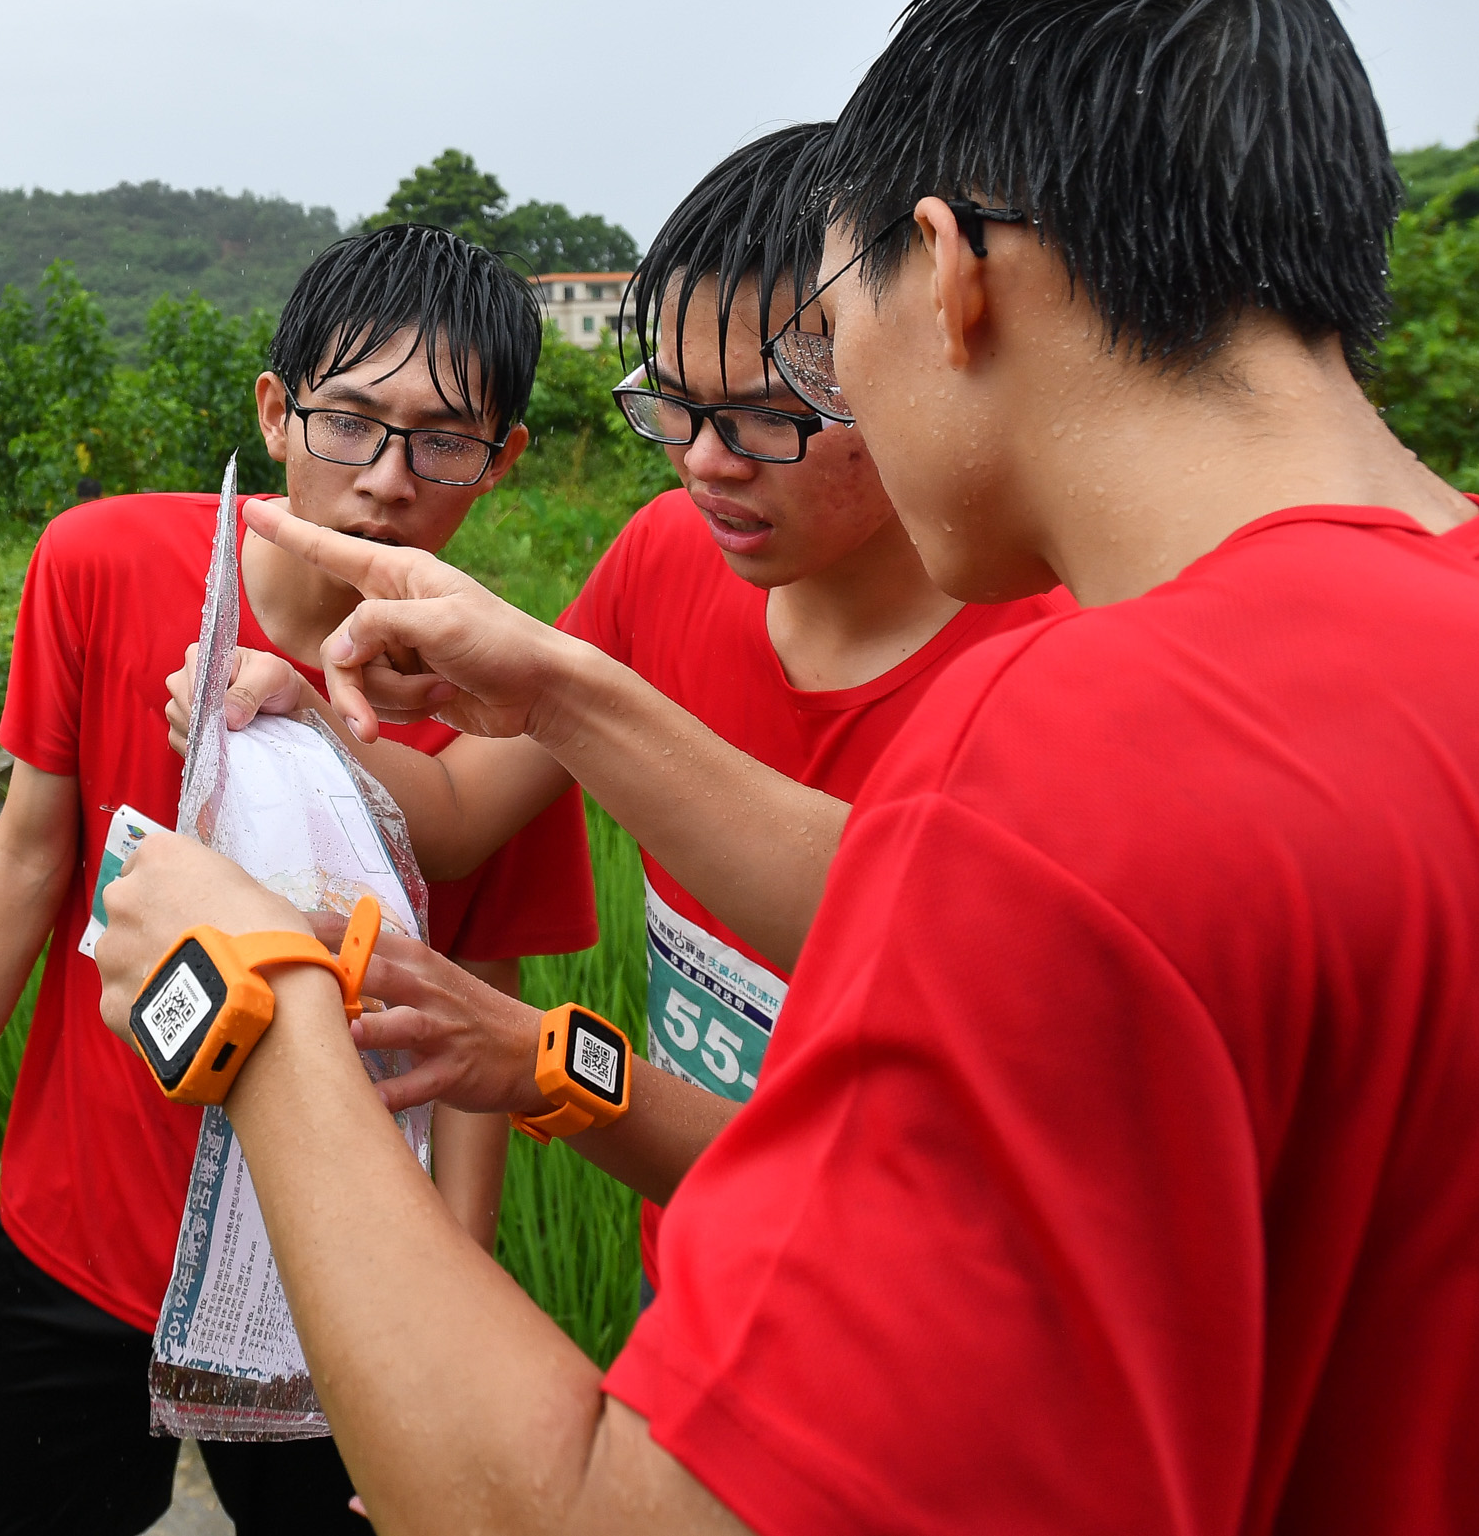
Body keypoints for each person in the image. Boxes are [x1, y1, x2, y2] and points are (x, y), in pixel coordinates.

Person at [91, 0, 1479, 1533]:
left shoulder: (1076, 749)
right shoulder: (1425, 643)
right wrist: (559, 687)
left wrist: (243, 1003)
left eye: (824, 351)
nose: (722, 456)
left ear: (953, 275)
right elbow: (969, 909)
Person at [176, 125, 1069, 1283]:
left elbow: (921, 1201)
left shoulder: (1053, 675)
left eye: (762, 417)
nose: (703, 463)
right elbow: (453, 808)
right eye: (674, 410)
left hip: (904, 1327)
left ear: (912, 360)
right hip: (692, 1265)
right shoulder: (667, 559)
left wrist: (545, 1060)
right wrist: (298, 711)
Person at [0, 223, 596, 1536]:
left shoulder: (498, 699)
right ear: (276, 405)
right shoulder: (101, 561)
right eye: (351, 422)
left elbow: (476, 994)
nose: (387, 478)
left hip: (340, 1293)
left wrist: (452, 1306)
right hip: (74, 1236)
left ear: (507, 458)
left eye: (446, 441)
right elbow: (31, 854)